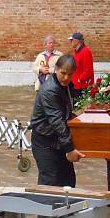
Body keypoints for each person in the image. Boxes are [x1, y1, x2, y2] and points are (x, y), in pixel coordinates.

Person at [30, 54, 85, 187]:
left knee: (68, 182)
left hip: (58, 139)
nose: (66, 78)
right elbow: (57, 121)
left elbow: (65, 113)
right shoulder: (50, 90)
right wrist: (70, 148)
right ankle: (43, 207)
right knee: (50, 181)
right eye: (63, 73)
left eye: (70, 74)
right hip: (45, 140)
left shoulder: (66, 85)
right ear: (56, 69)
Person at [68, 32, 94, 98]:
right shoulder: (76, 51)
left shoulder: (86, 51)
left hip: (82, 86)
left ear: (77, 41)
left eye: (72, 40)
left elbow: (88, 70)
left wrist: (79, 80)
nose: (71, 42)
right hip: (76, 85)